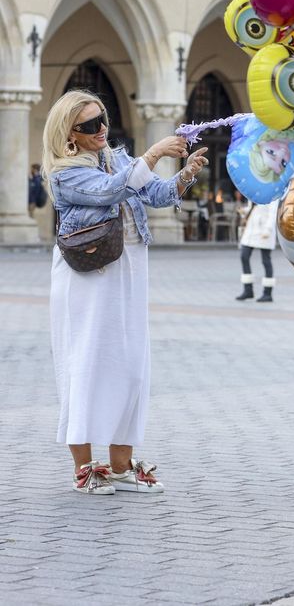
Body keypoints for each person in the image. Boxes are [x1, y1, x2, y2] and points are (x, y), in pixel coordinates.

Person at [42, 89, 207, 495]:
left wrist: (184, 173)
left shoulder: (117, 157)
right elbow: (111, 190)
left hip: (129, 267)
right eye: (88, 125)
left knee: (131, 366)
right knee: (85, 363)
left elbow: (156, 194)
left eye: (103, 119)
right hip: (88, 274)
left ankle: (120, 466)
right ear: (69, 135)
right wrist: (151, 155)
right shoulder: (65, 172)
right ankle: (85, 468)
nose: (100, 129)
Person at [236, 199, 279, 303]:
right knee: (244, 256)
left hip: (264, 229)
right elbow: (254, 208)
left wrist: (268, 229)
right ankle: (248, 290)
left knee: (265, 260)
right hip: (251, 228)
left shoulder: (272, 192)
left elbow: (273, 213)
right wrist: (245, 211)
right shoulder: (255, 190)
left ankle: (267, 293)